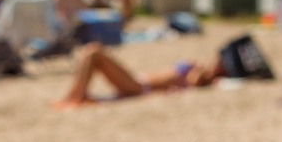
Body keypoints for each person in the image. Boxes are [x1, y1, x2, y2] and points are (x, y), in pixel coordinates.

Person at [54, 42, 225, 108]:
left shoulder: (203, 76)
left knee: (94, 53)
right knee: (93, 53)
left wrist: (204, 72)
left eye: (220, 61)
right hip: (138, 80)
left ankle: (74, 97)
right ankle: (75, 96)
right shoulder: (199, 67)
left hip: (139, 86)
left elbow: (194, 82)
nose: (216, 59)